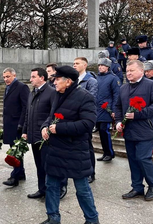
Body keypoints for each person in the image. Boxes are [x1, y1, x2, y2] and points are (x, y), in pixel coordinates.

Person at [40, 66, 99, 224]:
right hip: (55, 150)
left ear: (68, 82)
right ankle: (53, 217)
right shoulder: (56, 95)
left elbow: (88, 124)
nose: (55, 82)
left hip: (75, 151)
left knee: (82, 188)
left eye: (58, 79)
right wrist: (45, 127)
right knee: (51, 186)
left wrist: (59, 128)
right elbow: (50, 116)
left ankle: (92, 220)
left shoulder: (85, 97)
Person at [115, 60, 153, 201]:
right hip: (129, 131)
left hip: (145, 130)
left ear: (141, 71)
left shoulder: (152, 85)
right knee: (133, 160)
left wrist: (138, 114)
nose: (128, 73)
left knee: (143, 158)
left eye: (132, 70)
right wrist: (118, 121)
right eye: (127, 71)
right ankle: (137, 187)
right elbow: (118, 106)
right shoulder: (123, 88)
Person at [22, 67, 55, 199]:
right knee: (39, 165)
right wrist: (25, 131)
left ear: (42, 77)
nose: (30, 80)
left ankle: (52, 191)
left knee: (48, 166)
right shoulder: (32, 93)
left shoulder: (51, 92)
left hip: (46, 138)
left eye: (33, 77)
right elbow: (27, 114)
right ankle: (42, 189)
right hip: (34, 136)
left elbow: (53, 114)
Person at [2, 67, 29, 187]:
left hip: (17, 124)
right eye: (4, 77)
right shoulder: (8, 87)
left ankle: (15, 176)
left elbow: (26, 107)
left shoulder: (21, 87)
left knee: (16, 151)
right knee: (15, 150)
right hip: (9, 124)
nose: (6, 79)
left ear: (14, 75)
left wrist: (21, 124)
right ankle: (20, 172)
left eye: (8, 76)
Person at [73, 56, 97, 183]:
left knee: (87, 147)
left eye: (77, 63)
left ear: (85, 65)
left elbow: (92, 99)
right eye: (74, 63)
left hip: (84, 118)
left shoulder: (91, 81)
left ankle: (91, 172)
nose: (74, 65)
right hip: (74, 119)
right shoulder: (73, 80)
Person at [96, 58, 120, 162]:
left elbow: (116, 95)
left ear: (108, 67)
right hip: (97, 108)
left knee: (104, 130)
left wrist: (114, 109)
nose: (100, 67)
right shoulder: (96, 77)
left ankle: (109, 152)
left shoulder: (113, 78)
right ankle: (105, 152)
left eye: (103, 65)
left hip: (107, 109)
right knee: (100, 132)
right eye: (99, 65)